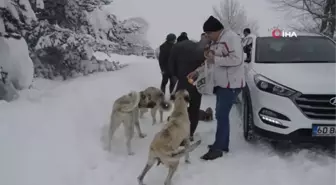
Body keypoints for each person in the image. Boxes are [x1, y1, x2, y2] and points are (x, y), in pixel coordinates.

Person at [192, 15, 245, 160]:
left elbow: (237, 60)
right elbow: (210, 63)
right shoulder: (217, 41)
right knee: (220, 114)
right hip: (221, 84)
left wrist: (215, 58)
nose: (208, 37)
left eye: (209, 34)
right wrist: (197, 72)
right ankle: (222, 144)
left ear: (216, 30)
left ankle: (218, 148)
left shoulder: (230, 38)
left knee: (221, 115)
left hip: (231, 84)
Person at [168, 33, 210, 141]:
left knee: (179, 110)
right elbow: (205, 64)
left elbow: (171, 65)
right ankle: (190, 134)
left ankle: (178, 133)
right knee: (194, 109)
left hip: (182, 83)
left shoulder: (176, 47)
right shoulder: (198, 47)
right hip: (196, 83)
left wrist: (176, 77)